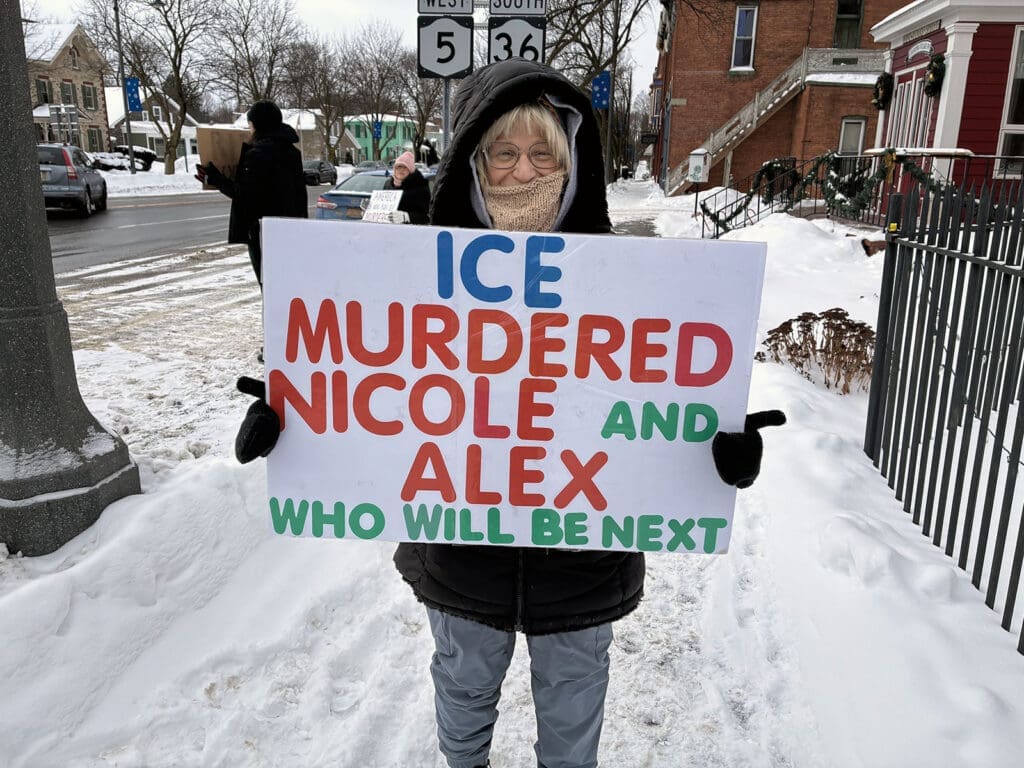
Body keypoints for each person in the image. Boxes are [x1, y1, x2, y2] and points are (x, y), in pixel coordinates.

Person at [232, 59, 783, 768]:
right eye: (505, 153)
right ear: (474, 163)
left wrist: (720, 447)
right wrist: (294, 420)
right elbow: (368, 389)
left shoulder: (639, 288)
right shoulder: (409, 283)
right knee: (462, 697)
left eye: (543, 153)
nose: (524, 172)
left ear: (572, 163)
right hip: (464, 560)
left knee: (575, 708)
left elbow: (664, 402)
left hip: (584, 558)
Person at [195, 100, 307, 288]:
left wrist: (216, 179)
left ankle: (273, 317)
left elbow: (246, 195)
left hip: (263, 230)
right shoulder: (291, 151)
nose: (249, 129)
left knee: (269, 286)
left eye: (250, 124)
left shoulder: (259, 153)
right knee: (286, 285)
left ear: (258, 124)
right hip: (291, 227)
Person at [384, 151, 430, 225]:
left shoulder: (420, 187)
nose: (401, 170)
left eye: (405, 167)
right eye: (398, 167)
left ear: (410, 170)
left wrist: (407, 217)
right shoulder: (388, 185)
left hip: (410, 232)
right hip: (389, 231)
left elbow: (425, 217)